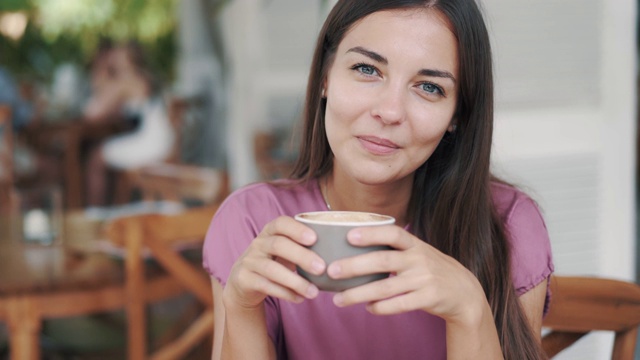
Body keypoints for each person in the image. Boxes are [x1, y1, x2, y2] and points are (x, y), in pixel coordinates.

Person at [203, 0, 554, 359]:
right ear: (325, 78)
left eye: (430, 87)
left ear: (456, 115)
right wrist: (242, 309)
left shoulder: (509, 226)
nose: (389, 111)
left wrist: (470, 309)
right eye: (366, 68)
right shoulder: (252, 222)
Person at [83, 40, 175, 206]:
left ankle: (95, 213)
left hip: (152, 145)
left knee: (96, 158)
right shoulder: (144, 77)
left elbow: (92, 114)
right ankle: (111, 208)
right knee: (105, 151)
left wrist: (101, 76)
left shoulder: (127, 81)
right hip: (164, 140)